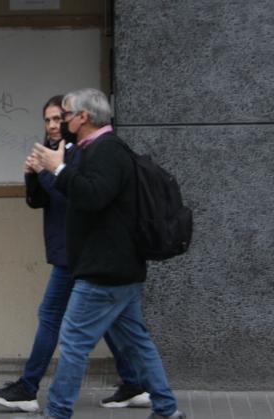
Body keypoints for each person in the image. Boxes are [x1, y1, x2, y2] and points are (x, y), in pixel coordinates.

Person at [0, 96, 150, 413]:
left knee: (50, 317)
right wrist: (32, 174)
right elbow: (37, 201)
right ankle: (135, 382)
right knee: (114, 323)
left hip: (76, 254)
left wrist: (48, 170)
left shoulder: (77, 155)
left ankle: (28, 387)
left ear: (73, 121)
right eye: (47, 120)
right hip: (69, 251)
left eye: (58, 119)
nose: (51, 126)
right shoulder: (55, 155)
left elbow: (70, 197)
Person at [28, 89, 185, 419]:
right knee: (137, 343)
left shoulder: (107, 150)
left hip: (105, 270)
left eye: (67, 114)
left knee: (72, 343)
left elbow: (92, 196)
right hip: (117, 268)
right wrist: (50, 171)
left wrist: (58, 170)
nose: (62, 121)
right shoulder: (96, 149)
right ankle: (167, 410)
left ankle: (56, 413)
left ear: (83, 117)